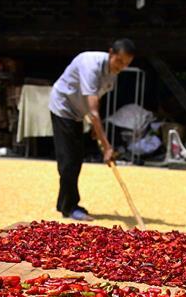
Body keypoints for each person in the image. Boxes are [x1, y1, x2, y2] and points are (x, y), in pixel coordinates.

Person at [49, 39, 135, 220]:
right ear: (111, 53)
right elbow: (94, 112)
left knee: (76, 158)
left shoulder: (112, 72)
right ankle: (69, 207)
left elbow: (97, 99)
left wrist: (97, 129)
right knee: (68, 160)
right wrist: (107, 146)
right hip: (63, 106)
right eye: (119, 61)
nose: (121, 66)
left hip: (79, 111)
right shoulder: (91, 65)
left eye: (126, 64)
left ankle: (64, 203)